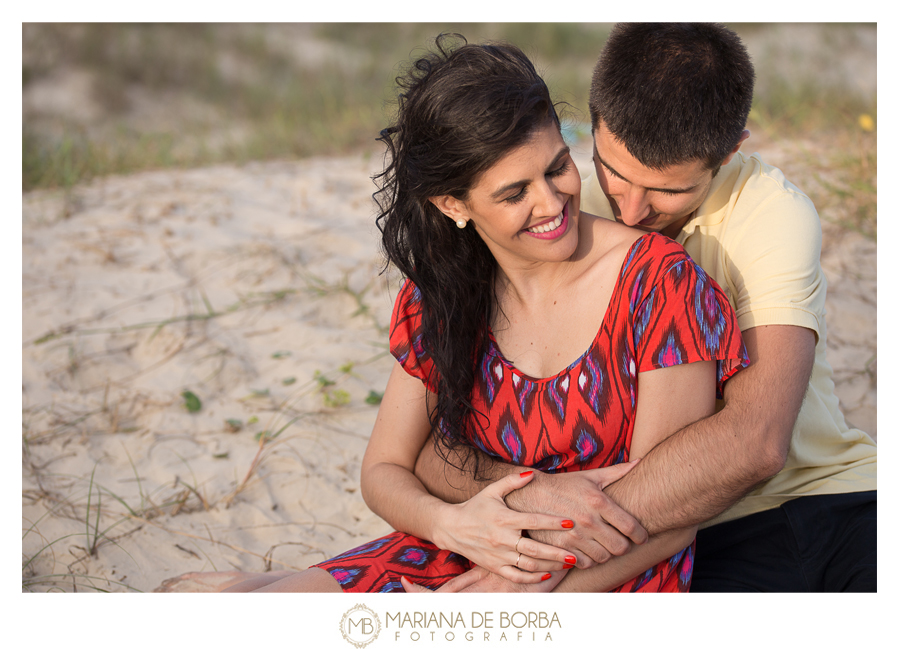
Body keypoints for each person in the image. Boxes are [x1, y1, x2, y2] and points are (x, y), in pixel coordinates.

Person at [160, 35, 747, 593]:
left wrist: (520, 594)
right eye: (514, 193)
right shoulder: (443, 292)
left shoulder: (660, 284)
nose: (551, 202)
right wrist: (452, 526)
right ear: (452, 204)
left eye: (556, 167)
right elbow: (386, 468)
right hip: (464, 547)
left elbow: (671, 514)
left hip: (606, 577)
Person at [413, 23, 877, 593]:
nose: (630, 212)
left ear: (730, 151)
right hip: (668, 530)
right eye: (614, 173)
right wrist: (528, 496)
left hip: (821, 498)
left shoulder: (769, 214)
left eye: (668, 191)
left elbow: (754, 441)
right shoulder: (556, 205)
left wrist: (532, 568)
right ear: (593, 123)